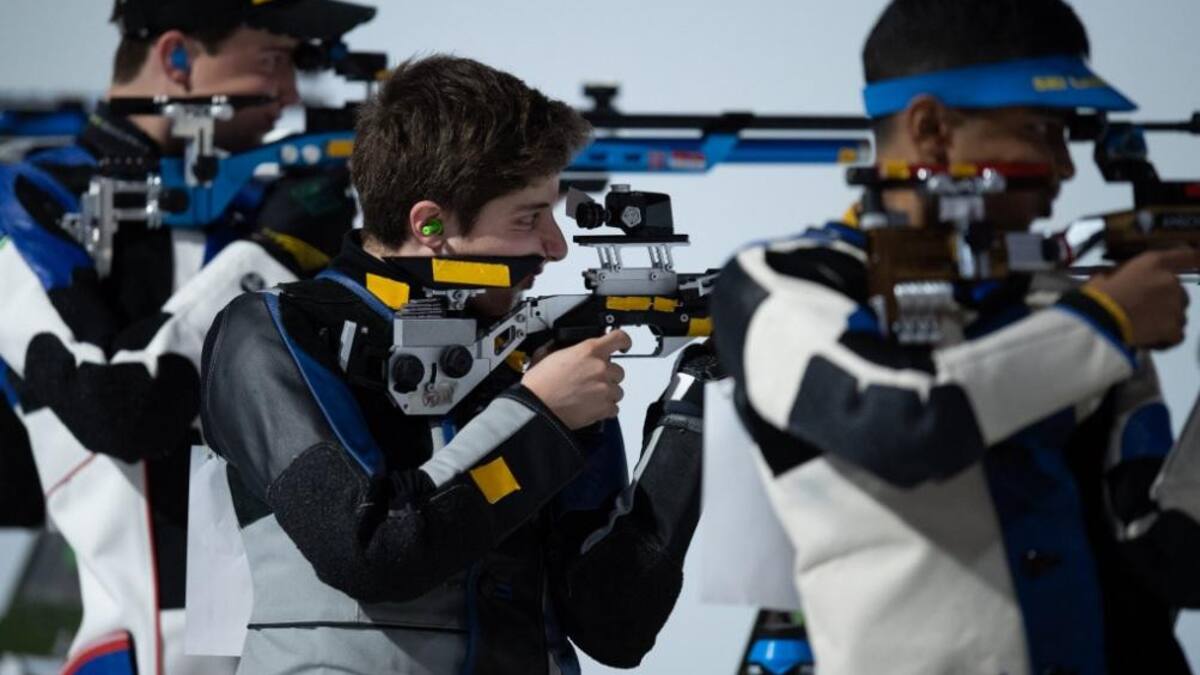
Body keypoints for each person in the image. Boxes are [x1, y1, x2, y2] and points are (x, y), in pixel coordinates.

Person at [712, 1, 1200, 673]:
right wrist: (1105, 323)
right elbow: (901, 423)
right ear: (932, 129)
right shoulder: (784, 281)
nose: (1064, 168)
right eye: (1042, 130)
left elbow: (1174, 555)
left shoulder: (1068, 306)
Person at [200, 54, 714, 674]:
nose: (555, 246)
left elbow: (615, 625)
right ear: (431, 224)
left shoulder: (531, 353)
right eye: (528, 217)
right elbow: (369, 548)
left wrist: (693, 409)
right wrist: (539, 416)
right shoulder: (274, 331)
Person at [0, 1, 372, 672]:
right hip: (143, 650)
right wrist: (269, 257)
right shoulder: (30, 200)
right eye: (273, 60)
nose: (291, 93)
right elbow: (119, 406)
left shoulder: (262, 208)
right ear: (175, 58)